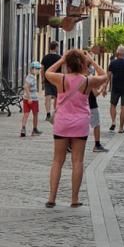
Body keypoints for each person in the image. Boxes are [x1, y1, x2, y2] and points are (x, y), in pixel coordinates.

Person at [45, 49, 107, 207]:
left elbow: (47, 72)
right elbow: (105, 76)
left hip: (62, 122)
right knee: (77, 160)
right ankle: (74, 199)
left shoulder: (61, 79)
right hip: (80, 123)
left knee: (57, 160)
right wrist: (92, 61)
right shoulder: (88, 81)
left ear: (68, 64)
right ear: (82, 64)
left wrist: (61, 59)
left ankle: (52, 198)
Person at [20, 62, 43, 137]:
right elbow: (26, 86)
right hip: (32, 99)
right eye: (37, 69)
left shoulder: (28, 76)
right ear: (32, 69)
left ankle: (23, 129)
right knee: (35, 114)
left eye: (39, 69)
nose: (39, 70)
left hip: (26, 98)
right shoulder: (31, 78)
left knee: (26, 114)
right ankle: (34, 130)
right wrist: (30, 97)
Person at [41, 41, 61, 121]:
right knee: (56, 97)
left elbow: (42, 69)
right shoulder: (59, 58)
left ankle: (48, 114)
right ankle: (55, 113)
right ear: (56, 47)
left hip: (47, 79)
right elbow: (62, 69)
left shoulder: (45, 57)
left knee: (47, 97)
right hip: (56, 80)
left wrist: (42, 78)